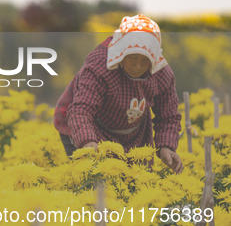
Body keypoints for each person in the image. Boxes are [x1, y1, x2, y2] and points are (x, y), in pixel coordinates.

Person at [53, 14, 184, 174]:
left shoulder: (162, 74)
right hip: (85, 124)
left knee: (135, 181)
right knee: (96, 178)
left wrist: (166, 146)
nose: (137, 66)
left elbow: (168, 116)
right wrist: (88, 142)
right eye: (133, 58)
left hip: (132, 130)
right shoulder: (100, 67)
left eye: (145, 61)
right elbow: (81, 110)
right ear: (121, 53)